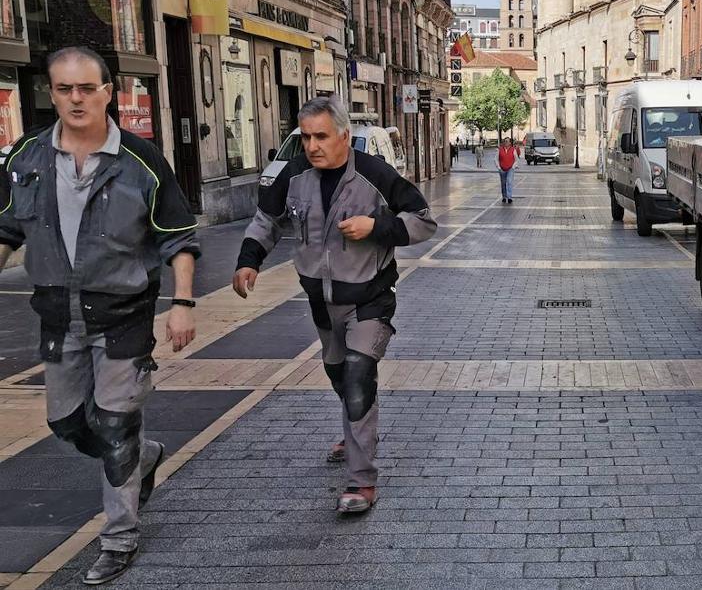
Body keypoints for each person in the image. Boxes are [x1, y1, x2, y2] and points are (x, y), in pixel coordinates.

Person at [0, 47, 199, 585]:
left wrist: (181, 304)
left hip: (123, 318)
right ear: (51, 91)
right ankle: (144, 454)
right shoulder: (28, 158)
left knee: (114, 424)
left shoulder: (141, 160)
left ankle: (119, 537)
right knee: (66, 423)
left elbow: (177, 238)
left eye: (87, 88)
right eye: (64, 89)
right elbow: (6, 232)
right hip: (57, 317)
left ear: (109, 90)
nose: (76, 98)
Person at [233, 97, 435, 514]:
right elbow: (266, 222)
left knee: (360, 376)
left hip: (370, 299)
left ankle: (361, 483)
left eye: (321, 136)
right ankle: (357, 429)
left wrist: (377, 226)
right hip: (322, 301)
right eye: (306, 137)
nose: (312, 145)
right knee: (339, 374)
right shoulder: (293, 176)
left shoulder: (375, 174)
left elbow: (423, 220)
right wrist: (248, 262)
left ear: (344, 136)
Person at [496, 136, 519, 203]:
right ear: (503, 142)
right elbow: (496, 159)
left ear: (510, 143)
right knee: (503, 183)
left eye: (508, 141)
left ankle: (509, 197)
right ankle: (504, 196)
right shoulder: (499, 150)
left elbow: (516, 159)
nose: (506, 142)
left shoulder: (513, 150)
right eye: (505, 141)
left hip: (510, 169)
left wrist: (513, 167)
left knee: (509, 182)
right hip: (502, 169)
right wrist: (499, 168)